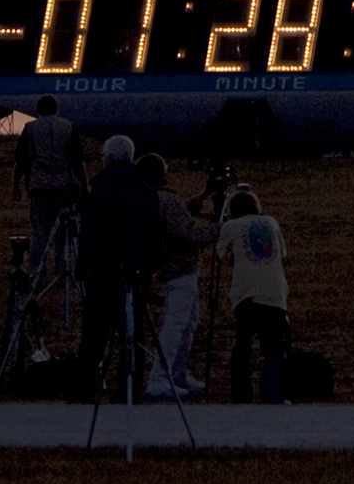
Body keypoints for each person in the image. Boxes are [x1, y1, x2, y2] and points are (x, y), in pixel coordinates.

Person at [76, 134, 162, 399]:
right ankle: (130, 388)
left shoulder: (101, 187)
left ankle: (86, 387)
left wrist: (83, 262)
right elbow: (155, 230)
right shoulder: (145, 188)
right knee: (132, 331)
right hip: (136, 268)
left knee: (94, 332)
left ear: (109, 158)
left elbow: (90, 229)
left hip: (103, 268)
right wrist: (150, 266)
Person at [137, 152, 214, 399]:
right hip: (180, 271)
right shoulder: (167, 200)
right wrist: (220, 229)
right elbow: (187, 234)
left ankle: (178, 374)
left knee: (187, 325)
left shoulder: (150, 198)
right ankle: (160, 378)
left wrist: (196, 200)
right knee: (175, 326)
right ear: (162, 172)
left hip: (171, 270)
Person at [217, 189, 289, 404]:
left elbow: (219, 256)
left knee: (243, 346)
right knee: (274, 348)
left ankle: (241, 394)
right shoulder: (271, 222)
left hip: (246, 295)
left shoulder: (230, 226)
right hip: (275, 293)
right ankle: (273, 393)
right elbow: (281, 254)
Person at [12, 95, 89, 280]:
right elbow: (78, 161)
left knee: (40, 231)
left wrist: (16, 183)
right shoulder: (68, 127)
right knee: (63, 233)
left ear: (38, 110)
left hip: (39, 187)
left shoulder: (30, 128)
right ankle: (62, 271)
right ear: (56, 109)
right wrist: (84, 186)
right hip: (65, 188)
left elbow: (22, 160)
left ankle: (36, 271)